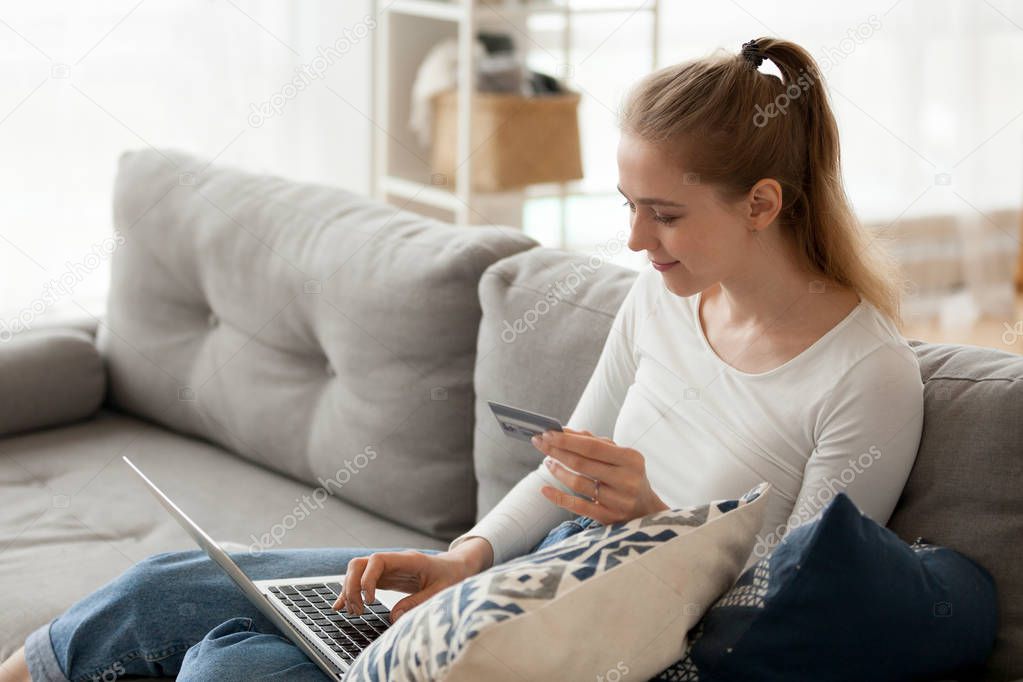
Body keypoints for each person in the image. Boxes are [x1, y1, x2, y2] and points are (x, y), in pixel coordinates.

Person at [2, 36, 924, 682]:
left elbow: (787, 607)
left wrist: (654, 519)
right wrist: (465, 557)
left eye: (666, 213)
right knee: (189, 606)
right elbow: (566, 468)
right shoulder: (663, 296)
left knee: (226, 662)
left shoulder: (863, 376)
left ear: (762, 203)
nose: (636, 239)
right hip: (536, 573)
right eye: (627, 204)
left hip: (631, 634)